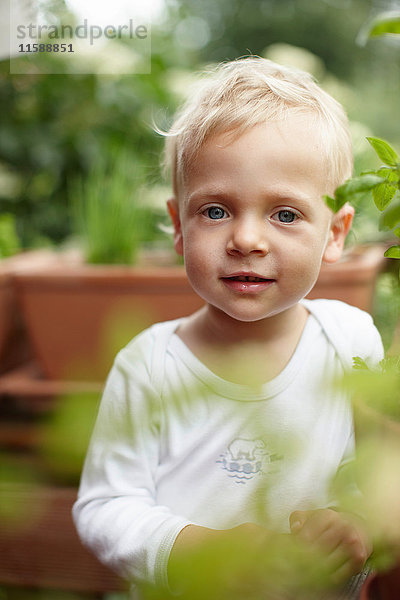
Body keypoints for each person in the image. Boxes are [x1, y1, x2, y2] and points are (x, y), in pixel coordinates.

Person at [73, 57, 384, 599]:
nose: (246, 239)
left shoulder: (352, 342)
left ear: (335, 233)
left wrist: (356, 523)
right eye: (215, 211)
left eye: (285, 215)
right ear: (178, 226)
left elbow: (380, 475)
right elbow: (105, 506)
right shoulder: (149, 364)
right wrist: (199, 548)